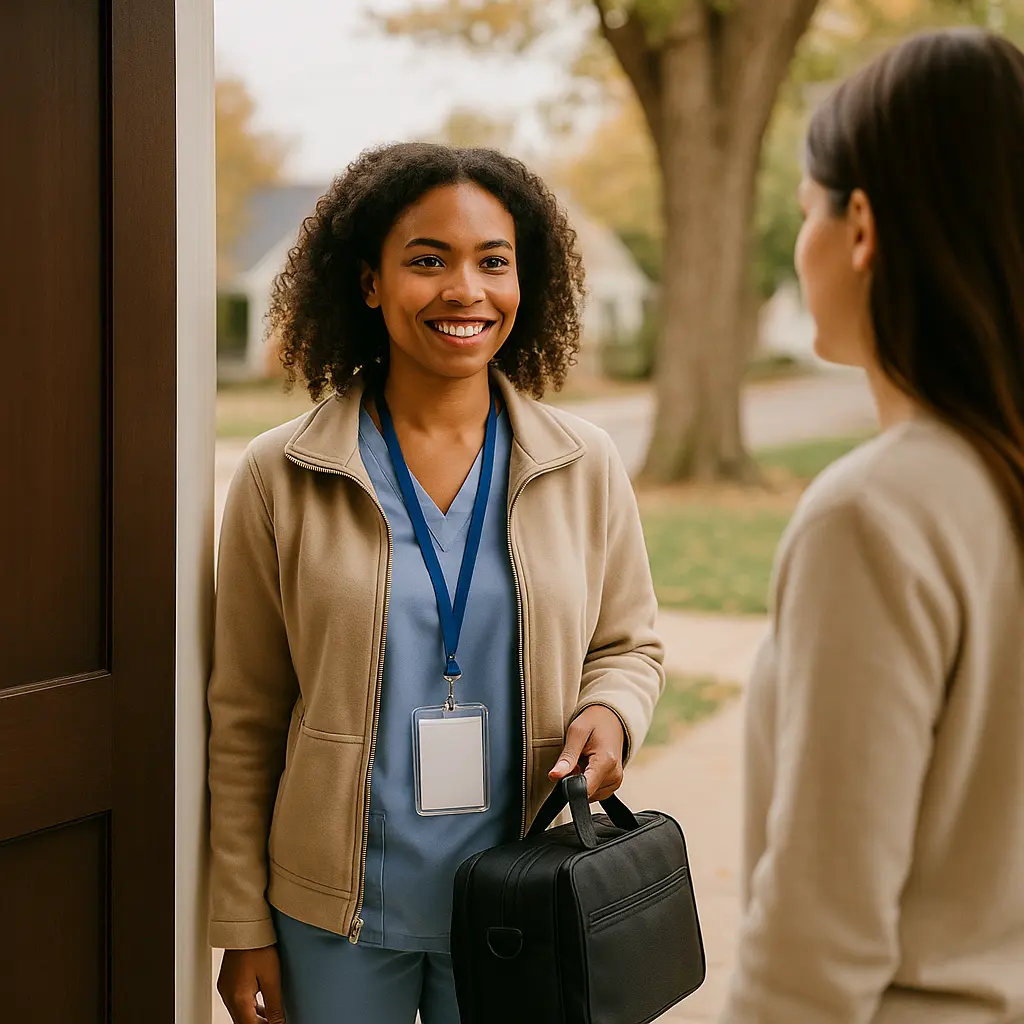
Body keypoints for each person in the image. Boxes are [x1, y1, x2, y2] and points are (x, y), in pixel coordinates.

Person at [208, 142, 664, 1024]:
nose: (466, 291)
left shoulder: (585, 464)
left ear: (525, 283)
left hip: (523, 901)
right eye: (428, 260)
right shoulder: (280, 474)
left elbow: (628, 646)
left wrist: (610, 713)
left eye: (494, 262)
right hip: (334, 915)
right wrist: (242, 920)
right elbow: (245, 717)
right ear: (370, 282)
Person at [722, 28, 1024, 1024]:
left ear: (861, 227)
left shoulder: (874, 515)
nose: (799, 241)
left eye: (805, 209)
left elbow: (818, 946)